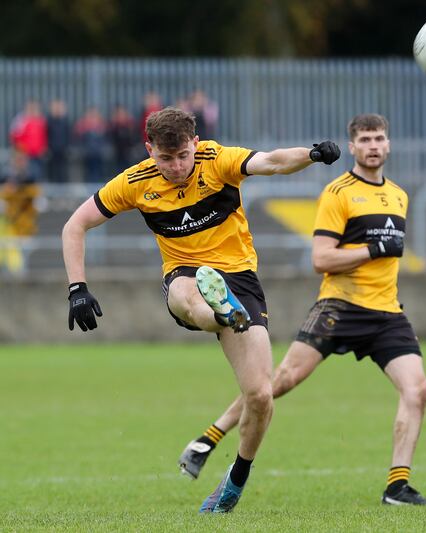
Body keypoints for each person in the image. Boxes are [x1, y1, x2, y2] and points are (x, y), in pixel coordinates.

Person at [61, 106, 341, 513]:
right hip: (185, 275)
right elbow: (75, 224)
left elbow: (273, 162)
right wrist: (77, 288)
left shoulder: (216, 159)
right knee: (186, 293)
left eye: (182, 156)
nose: (175, 167)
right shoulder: (136, 181)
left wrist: (313, 154)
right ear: (148, 149)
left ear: (195, 144)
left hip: (240, 277)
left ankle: (235, 481)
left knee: (261, 395)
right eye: (164, 158)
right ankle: (220, 311)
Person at [177, 113, 426, 506]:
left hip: (387, 312)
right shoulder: (339, 192)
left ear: (388, 145)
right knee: (279, 381)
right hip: (340, 306)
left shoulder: (400, 196)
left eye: (379, 138)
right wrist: (370, 249)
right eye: (365, 139)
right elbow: (321, 258)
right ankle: (208, 439)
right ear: (352, 147)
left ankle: (397, 487)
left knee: (418, 389)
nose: (373, 145)